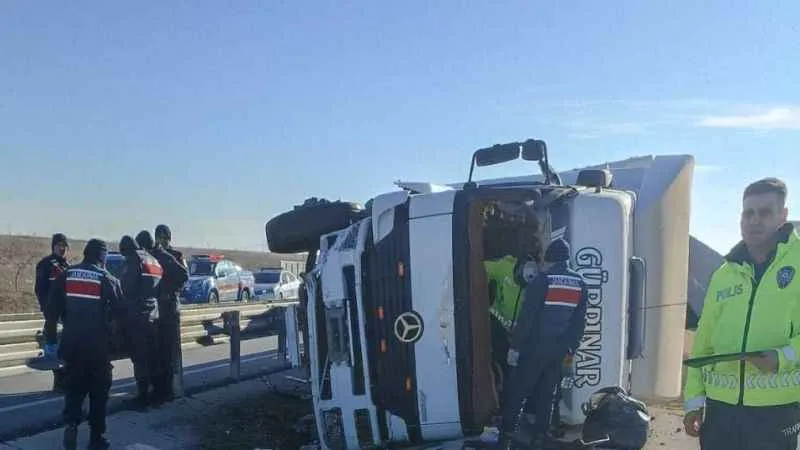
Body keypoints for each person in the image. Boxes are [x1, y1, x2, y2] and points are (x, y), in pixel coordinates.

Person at [683, 178, 800, 450]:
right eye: (748, 213)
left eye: (765, 212)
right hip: (720, 413)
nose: (754, 221)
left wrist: (783, 358)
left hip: (776, 412)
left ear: (783, 216)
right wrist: (694, 401)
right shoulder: (724, 274)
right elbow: (705, 341)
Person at [500, 238, 588, 447]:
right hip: (558, 350)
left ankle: (507, 433)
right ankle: (541, 434)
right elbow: (579, 322)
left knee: (520, 390)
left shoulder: (543, 280)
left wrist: (515, 346)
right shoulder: (580, 283)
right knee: (548, 392)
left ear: (549, 258)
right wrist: (570, 347)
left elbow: (527, 318)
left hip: (535, 347)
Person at [44, 239, 123, 450]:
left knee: (74, 388)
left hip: (71, 344)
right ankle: (96, 438)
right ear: (102, 257)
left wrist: (53, 339)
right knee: (99, 392)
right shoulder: (107, 279)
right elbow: (119, 314)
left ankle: (71, 425)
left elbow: (52, 310)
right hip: (97, 347)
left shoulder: (66, 274)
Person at [135, 230, 187, 406]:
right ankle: (158, 390)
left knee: (167, 352)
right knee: (156, 352)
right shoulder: (149, 256)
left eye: (164, 238)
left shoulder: (171, 256)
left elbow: (183, 275)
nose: (162, 241)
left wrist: (170, 292)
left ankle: (166, 392)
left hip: (169, 308)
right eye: (159, 237)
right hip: (156, 309)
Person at [119, 235, 163, 409]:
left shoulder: (133, 259)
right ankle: (157, 394)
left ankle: (142, 397)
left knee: (140, 358)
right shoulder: (152, 260)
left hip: (137, 315)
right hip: (154, 313)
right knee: (153, 357)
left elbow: (126, 287)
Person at [35, 233, 70, 392]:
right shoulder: (46, 264)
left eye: (64, 246)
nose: (62, 249)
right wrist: (47, 310)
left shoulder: (67, 266)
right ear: (53, 246)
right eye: (59, 245)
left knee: (65, 350)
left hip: (67, 314)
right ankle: (59, 382)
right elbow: (39, 289)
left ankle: (63, 380)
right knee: (54, 350)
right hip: (52, 315)